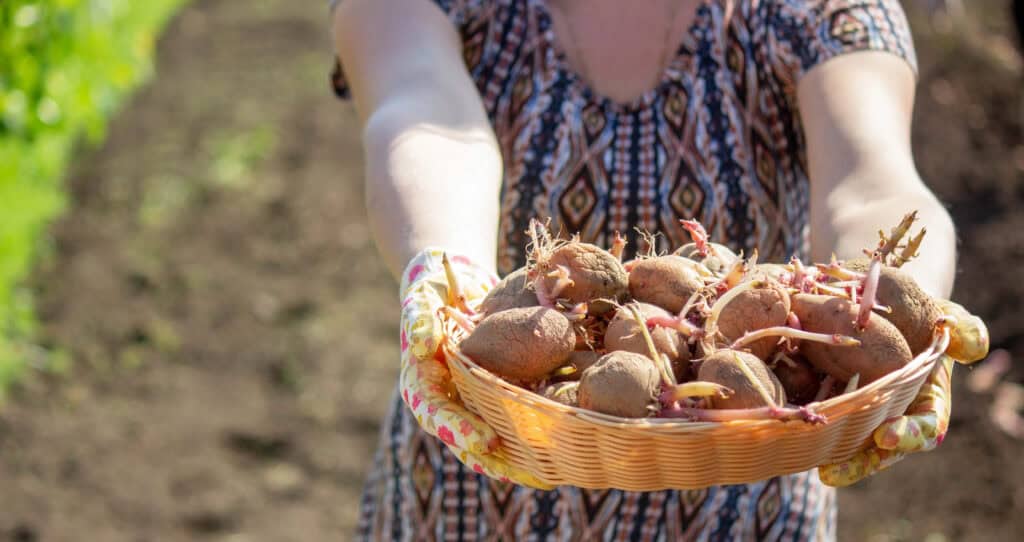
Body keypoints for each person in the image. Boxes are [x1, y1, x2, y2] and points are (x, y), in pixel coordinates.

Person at [330, 1, 961, 539]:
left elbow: (872, 182)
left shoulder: (816, 10)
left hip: (743, 485)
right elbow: (426, 123)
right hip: (482, 462)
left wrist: (910, 311)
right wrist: (445, 269)